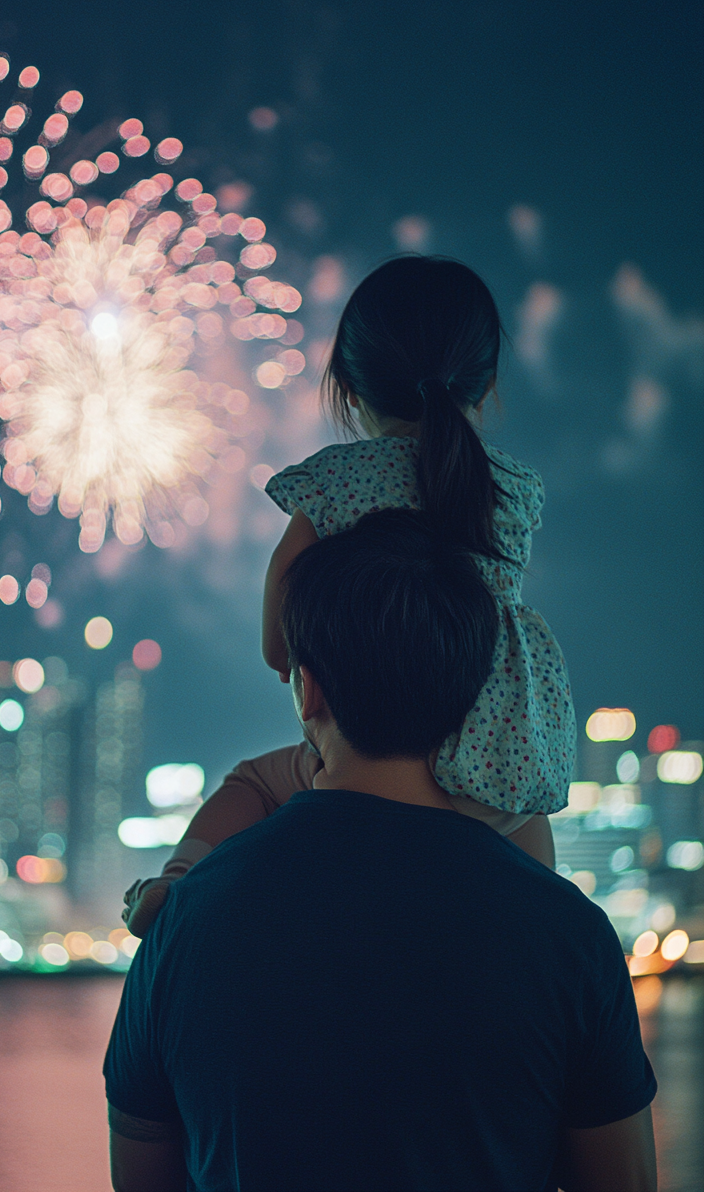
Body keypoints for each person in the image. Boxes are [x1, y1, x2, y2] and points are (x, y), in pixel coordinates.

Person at [105, 509, 656, 1191]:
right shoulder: (570, 936)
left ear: (310, 688)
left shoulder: (182, 924)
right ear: (467, 696)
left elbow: (141, 1174)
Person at [123, 255, 573, 935]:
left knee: (252, 783)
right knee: (542, 883)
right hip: (495, 770)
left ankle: (174, 885)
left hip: (368, 754)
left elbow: (281, 622)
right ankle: (548, 934)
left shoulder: (337, 481)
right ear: (484, 389)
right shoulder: (510, 490)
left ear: (349, 389)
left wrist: (285, 653)